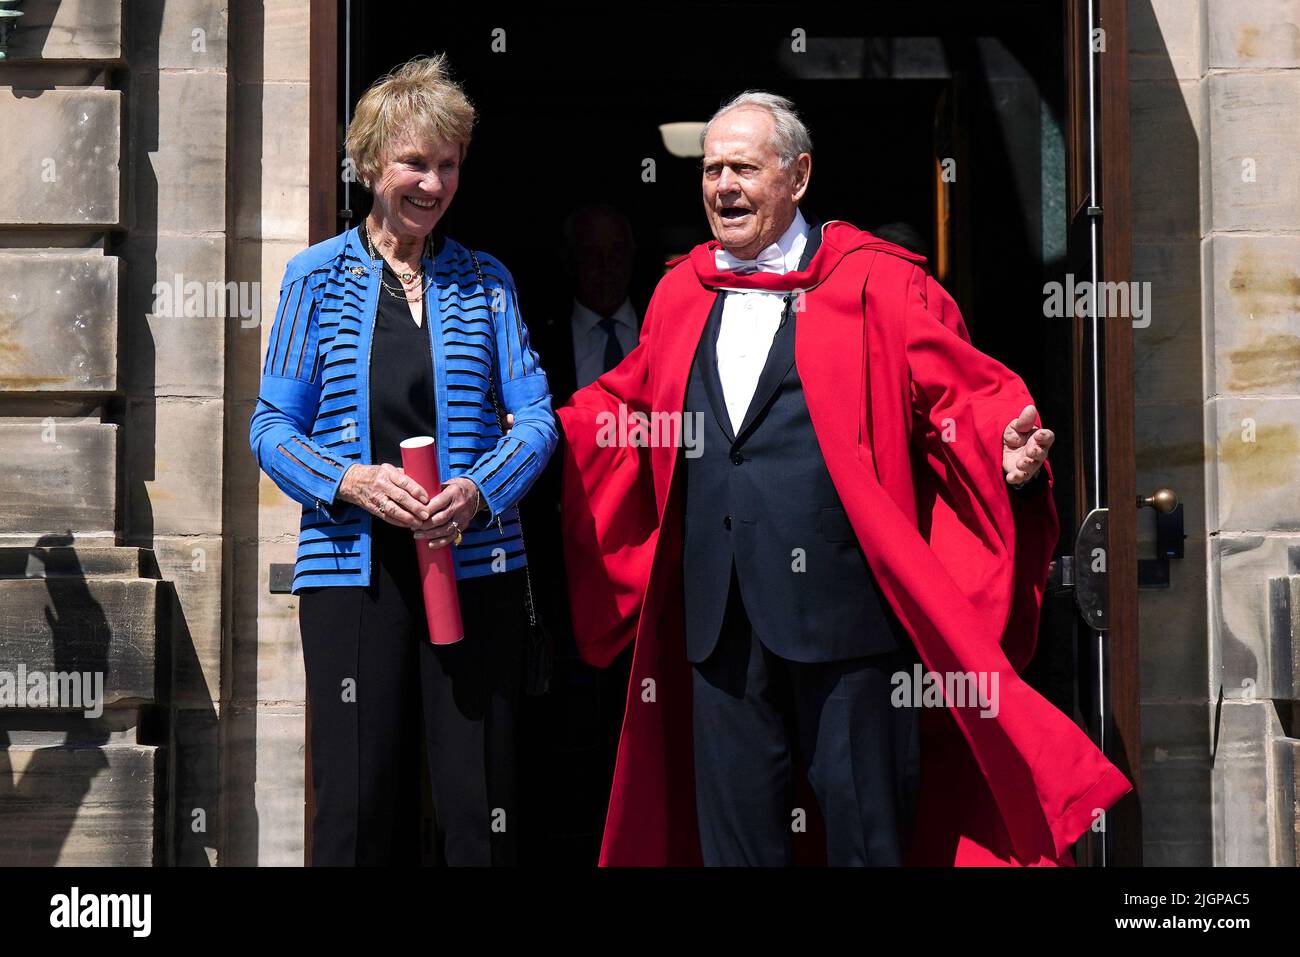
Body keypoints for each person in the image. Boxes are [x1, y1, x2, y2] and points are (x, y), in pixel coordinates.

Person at [556, 91, 1132, 866]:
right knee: (737, 849)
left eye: (744, 168)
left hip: (848, 627)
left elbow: (962, 397)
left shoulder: (877, 285)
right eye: (712, 168)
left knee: (869, 843)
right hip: (720, 624)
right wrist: (522, 433)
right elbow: (621, 404)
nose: (723, 185)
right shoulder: (679, 293)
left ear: (797, 176)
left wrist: (1006, 451)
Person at [248, 55, 556, 866]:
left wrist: (480, 490)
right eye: (416, 162)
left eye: (448, 165)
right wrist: (350, 479)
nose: (434, 183)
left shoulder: (488, 282)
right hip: (355, 577)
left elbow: (536, 420)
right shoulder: (313, 279)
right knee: (355, 804)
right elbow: (271, 426)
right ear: (369, 165)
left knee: (478, 801)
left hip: (474, 566)